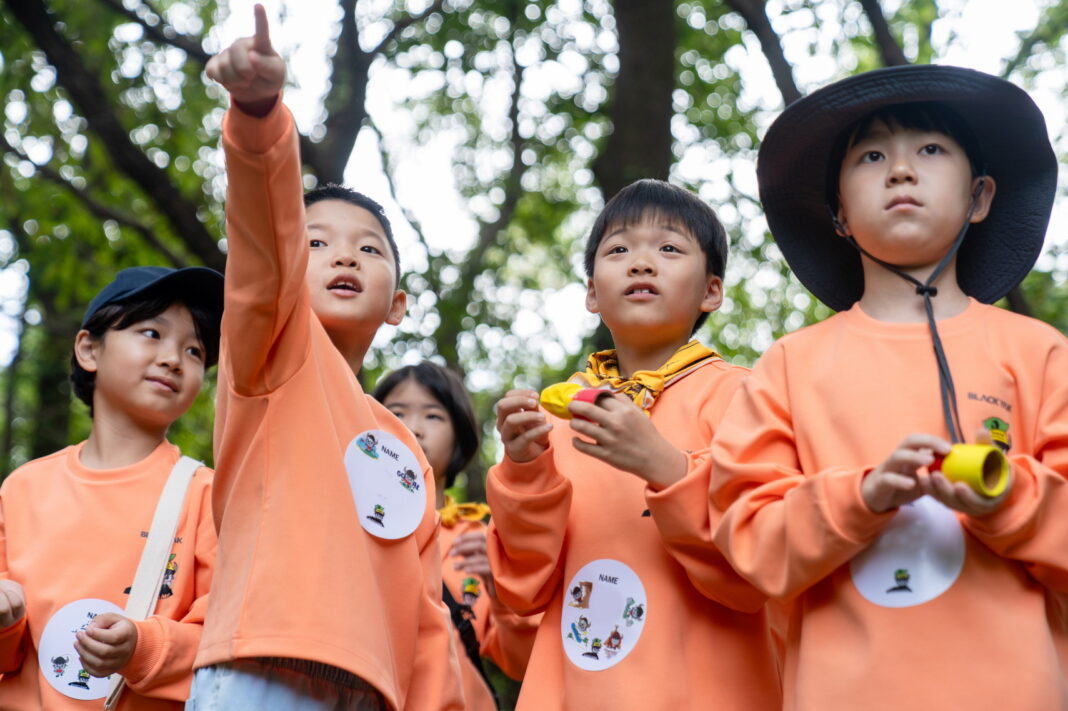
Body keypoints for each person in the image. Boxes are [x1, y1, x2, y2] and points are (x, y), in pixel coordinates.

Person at [710, 64, 1068, 710]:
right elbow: (749, 540)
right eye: (872, 155)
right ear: (839, 214)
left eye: (930, 149)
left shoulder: (1040, 353)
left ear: (981, 196)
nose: (901, 169)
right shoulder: (789, 365)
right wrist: (862, 495)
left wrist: (1005, 496)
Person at [194, 7, 461, 710]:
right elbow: (261, 234)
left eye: (369, 247)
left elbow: (425, 611)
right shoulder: (274, 354)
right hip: (261, 668)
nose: (344, 253)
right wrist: (258, 116)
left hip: (372, 690)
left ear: (398, 302)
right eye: (317, 243)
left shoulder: (403, 445)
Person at [486, 179, 781, 709]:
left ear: (712, 290)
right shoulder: (562, 414)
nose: (641, 263)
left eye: (669, 248)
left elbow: (760, 569)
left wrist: (666, 467)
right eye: (618, 250)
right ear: (592, 293)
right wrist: (524, 468)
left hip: (707, 688)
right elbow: (522, 588)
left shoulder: (745, 395)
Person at [0, 265, 222, 709]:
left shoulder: (207, 495)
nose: (173, 358)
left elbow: (225, 641)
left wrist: (143, 646)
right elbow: (9, 658)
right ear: (89, 350)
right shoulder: (24, 489)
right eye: (150, 333)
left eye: (194, 350)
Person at [374, 362, 539, 710]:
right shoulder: (350, 526)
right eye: (395, 413)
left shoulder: (483, 542)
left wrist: (500, 589)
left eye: (433, 416)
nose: (413, 429)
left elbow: (522, 662)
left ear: (460, 438)